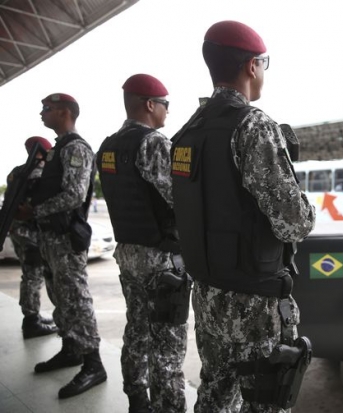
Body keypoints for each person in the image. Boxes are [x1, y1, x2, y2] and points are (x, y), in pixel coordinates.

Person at [170, 21, 316, 412]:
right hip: (253, 304)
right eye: (263, 63)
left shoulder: (186, 134)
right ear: (252, 66)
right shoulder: (253, 126)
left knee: (215, 395)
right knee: (265, 403)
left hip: (208, 296)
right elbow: (293, 222)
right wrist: (309, 207)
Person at [96, 74, 188, 413]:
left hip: (128, 254)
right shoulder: (153, 143)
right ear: (149, 105)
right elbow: (179, 200)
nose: (167, 113)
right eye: (165, 105)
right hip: (161, 260)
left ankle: (137, 398)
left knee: (137, 328)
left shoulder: (107, 147)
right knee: (168, 343)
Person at [23, 93, 107, 399]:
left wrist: (35, 211)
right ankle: (71, 349)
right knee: (60, 297)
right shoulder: (58, 149)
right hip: (50, 237)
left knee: (76, 298)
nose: (41, 114)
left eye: (46, 109)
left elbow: (73, 195)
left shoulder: (75, 148)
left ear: (64, 112)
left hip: (65, 237)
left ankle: (94, 363)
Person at [7, 136, 58, 339]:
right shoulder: (40, 173)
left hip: (18, 232)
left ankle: (32, 316)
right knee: (33, 276)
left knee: (29, 275)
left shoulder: (17, 172)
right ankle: (31, 321)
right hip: (32, 234)